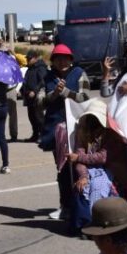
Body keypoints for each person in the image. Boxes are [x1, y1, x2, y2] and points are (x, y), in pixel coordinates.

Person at [40, 44, 90, 221]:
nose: (62, 61)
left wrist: (66, 92)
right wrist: (54, 94)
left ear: (71, 60)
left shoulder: (80, 74)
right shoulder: (47, 77)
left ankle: (82, 204)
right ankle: (65, 206)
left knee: (79, 167)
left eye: (65, 58)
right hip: (56, 130)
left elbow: (85, 97)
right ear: (53, 61)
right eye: (58, 58)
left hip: (78, 129)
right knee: (61, 168)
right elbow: (41, 101)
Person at [68, 100, 119, 235]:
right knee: (82, 187)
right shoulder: (83, 133)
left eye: (96, 118)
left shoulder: (111, 135)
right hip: (88, 169)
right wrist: (83, 176)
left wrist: (78, 158)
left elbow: (102, 157)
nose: (93, 121)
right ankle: (84, 223)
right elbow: (79, 157)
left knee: (98, 186)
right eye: (90, 118)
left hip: (108, 169)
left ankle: (96, 224)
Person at [20, 51, 47, 143]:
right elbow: (26, 81)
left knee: (39, 117)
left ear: (35, 58)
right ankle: (35, 135)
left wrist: (35, 91)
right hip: (29, 96)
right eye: (27, 58)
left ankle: (43, 135)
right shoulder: (29, 69)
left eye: (29, 58)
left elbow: (43, 81)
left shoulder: (40, 68)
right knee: (31, 117)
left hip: (36, 96)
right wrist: (22, 90)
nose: (27, 60)